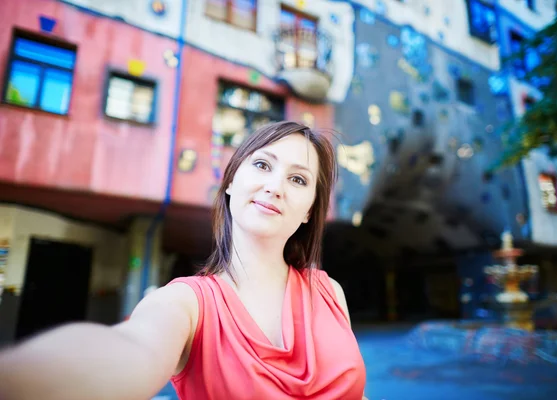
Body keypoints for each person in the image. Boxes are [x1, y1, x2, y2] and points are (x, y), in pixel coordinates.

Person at [0, 121, 367, 400]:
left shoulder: (329, 292)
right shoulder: (187, 304)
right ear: (230, 183)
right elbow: (131, 349)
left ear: (308, 212)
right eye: (261, 165)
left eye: (298, 179)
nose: (275, 186)